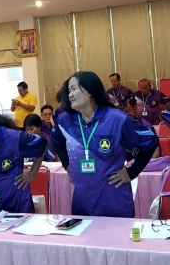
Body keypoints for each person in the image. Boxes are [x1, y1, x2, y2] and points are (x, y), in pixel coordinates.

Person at [51, 71, 159, 217]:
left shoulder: (118, 119)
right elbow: (56, 141)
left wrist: (132, 172)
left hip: (113, 198)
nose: (70, 95)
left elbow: (150, 141)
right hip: (82, 200)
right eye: (69, 91)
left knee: (117, 232)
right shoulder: (65, 120)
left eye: (74, 89)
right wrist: (67, 165)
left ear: (89, 90)